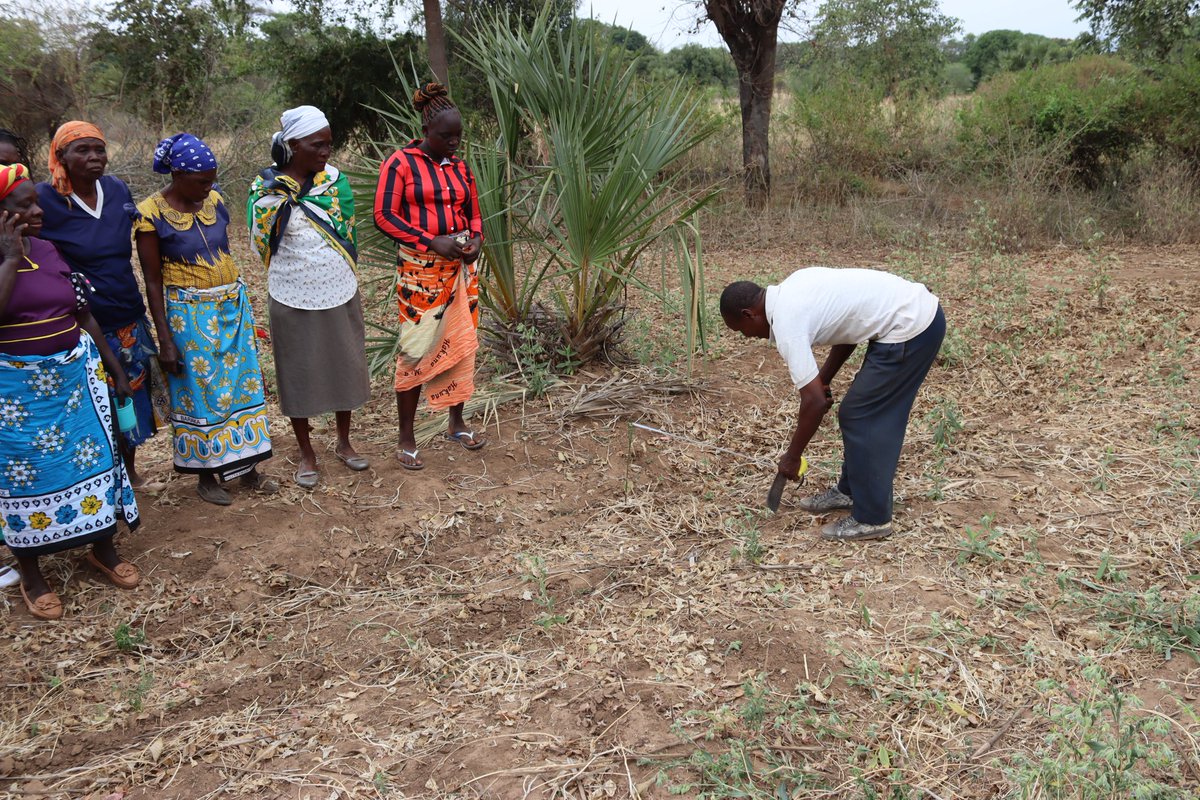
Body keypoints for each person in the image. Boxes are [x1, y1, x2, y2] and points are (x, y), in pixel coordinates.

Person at [0, 163, 142, 620]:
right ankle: (32, 573)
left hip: (75, 386)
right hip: (16, 399)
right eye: (25, 207)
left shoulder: (47, 249)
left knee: (96, 461)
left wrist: (114, 367)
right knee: (25, 478)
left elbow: (83, 314)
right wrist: (7, 258)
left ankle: (103, 548)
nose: (39, 210)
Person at [720, 267, 946, 542]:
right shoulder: (794, 286)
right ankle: (851, 491)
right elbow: (849, 330)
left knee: (862, 416)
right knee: (856, 413)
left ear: (748, 314)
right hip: (910, 313)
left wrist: (792, 457)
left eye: (742, 331)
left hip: (911, 327)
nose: (748, 337)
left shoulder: (786, 323)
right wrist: (824, 378)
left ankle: (872, 518)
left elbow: (814, 402)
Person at [134, 134, 278, 505]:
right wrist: (165, 338)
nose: (209, 187)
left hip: (231, 308)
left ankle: (247, 468)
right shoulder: (149, 214)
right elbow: (153, 280)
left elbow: (223, 249)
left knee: (241, 386)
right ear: (177, 174)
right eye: (201, 181)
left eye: (212, 179)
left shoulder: (214, 201)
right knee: (199, 393)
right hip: (188, 315)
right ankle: (206, 475)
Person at [37, 121, 168, 487]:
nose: (94, 157)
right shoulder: (45, 199)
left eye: (99, 149)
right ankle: (97, 481)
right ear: (61, 156)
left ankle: (130, 475)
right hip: (81, 325)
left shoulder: (115, 189)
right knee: (92, 407)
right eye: (83, 150)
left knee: (131, 399)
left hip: (127, 312)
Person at [248, 106, 371, 488]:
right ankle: (306, 451)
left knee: (344, 367)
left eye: (329, 144)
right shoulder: (265, 190)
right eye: (317, 144)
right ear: (292, 145)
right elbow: (259, 243)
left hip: (337, 289)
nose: (325, 152)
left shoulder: (334, 182)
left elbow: (346, 230)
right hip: (291, 293)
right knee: (297, 373)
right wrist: (286, 199)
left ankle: (344, 442)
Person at [373, 83, 486, 470]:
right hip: (421, 269)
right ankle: (407, 437)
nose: (454, 142)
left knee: (460, 339)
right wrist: (429, 241)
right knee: (417, 345)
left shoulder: (460, 167)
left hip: (461, 268)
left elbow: (473, 212)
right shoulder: (401, 163)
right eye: (446, 136)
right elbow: (384, 216)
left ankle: (456, 422)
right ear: (426, 131)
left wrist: (477, 240)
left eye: (458, 135)